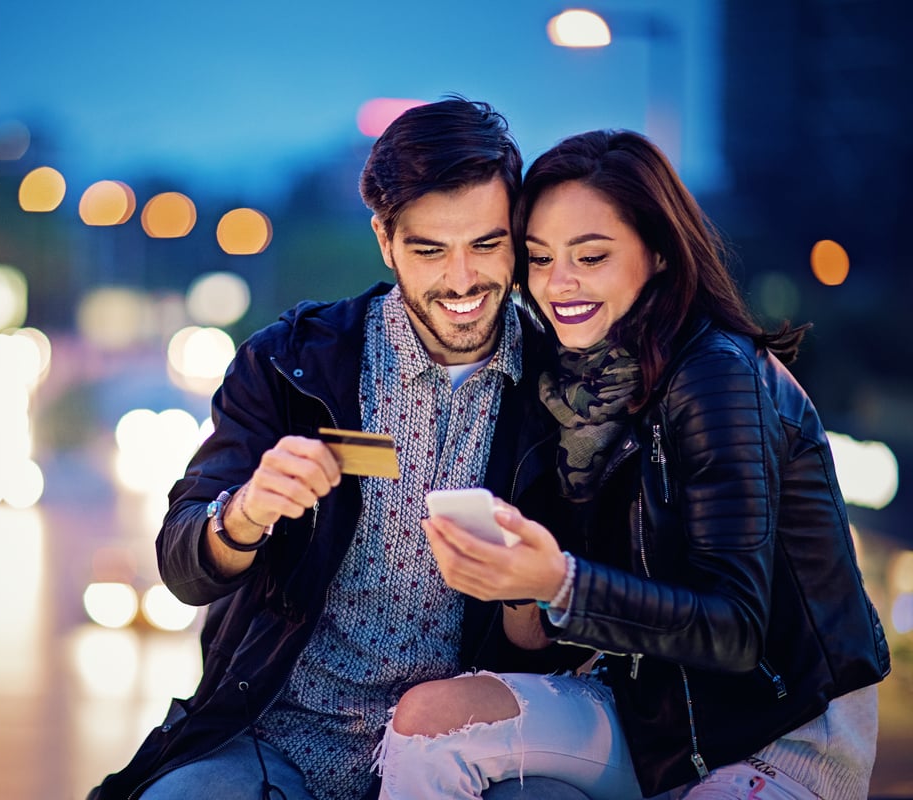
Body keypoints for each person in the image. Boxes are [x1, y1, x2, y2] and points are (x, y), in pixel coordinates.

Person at [86, 96, 592, 800]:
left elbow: (575, 631)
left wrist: (527, 593)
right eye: (429, 249)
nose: (462, 280)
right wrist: (245, 515)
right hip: (277, 738)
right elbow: (183, 566)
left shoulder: (566, 389)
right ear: (386, 241)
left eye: (486, 244)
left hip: (468, 754)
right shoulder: (290, 363)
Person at [374, 129, 891, 800]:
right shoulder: (568, 387)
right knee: (428, 721)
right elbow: (557, 633)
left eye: (590, 257)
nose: (560, 284)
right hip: (654, 718)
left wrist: (559, 581)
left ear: (658, 254)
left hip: (779, 729)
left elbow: (735, 630)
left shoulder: (716, 377)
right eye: (538, 258)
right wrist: (514, 583)